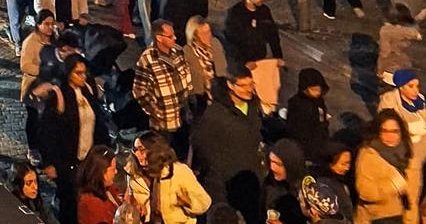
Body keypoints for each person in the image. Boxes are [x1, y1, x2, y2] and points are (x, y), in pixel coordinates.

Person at [39, 54, 110, 224]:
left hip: (88, 160)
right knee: (69, 205)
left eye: (84, 73)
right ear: (68, 73)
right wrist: (49, 162)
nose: (83, 77)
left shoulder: (88, 90)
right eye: (78, 73)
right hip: (67, 161)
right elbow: (47, 132)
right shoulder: (59, 96)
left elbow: (98, 122)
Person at [190, 69, 265, 223]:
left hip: (250, 176)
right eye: (243, 85)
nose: (249, 89)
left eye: (251, 85)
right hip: (225, 180)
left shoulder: (254, 105)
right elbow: (200, 143)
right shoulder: (215, 113)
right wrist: (220, 166)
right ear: (230, 85)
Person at [223, 0, 284, 113]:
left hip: (260, 60)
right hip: (243, 63)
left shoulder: (264, 11)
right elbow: (230, 42)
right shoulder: (234, 14)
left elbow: (273, 35)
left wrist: (278, 56)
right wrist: (244, 62)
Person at [128, 130, 213, 224]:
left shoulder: (179, 172)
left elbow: (204, 203)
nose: (137, 154)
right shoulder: (136, 177)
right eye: (135, 150)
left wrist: (187, 201)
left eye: (142, 150)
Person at [132, 19, 193, 150]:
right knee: (164, 153)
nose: (175, 38)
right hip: (164, 122)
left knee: (183, 149)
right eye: (170, 36)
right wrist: (156, 113)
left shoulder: (178, 51)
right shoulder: (147, 60)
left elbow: (186, 74)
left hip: (183, 115)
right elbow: (139, 91)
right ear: (159, 38)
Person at [354, 110, 420, 224]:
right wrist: (392, 185)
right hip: (377, 219)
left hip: (403, 218)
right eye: (385, 131)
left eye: (395, 131)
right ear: (378, 131)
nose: (390, 136)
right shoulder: (368, 155)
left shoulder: (409, 155)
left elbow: (413, 197)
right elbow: (364, 191)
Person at [20, 9, 57, 159]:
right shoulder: (30, 42)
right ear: (39, 24)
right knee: (34, 118)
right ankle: (33, 148)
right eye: (46, 24)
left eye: (52, 24)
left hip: (51, 87)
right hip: (33, 87)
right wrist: (44, 70)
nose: (50, 27)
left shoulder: (54, 40)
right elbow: (25, 65)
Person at [379, 70, 426, 156]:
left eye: (417, 86)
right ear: (401, 87)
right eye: (411, 86)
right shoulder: (389, 100)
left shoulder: (419, 100)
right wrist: (417, 129)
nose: (416, 90)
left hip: (422, 145)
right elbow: (391, 127)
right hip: (403, 148)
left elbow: (425, 121)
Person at [184, 16, 228, 115]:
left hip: (219, 93)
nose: (208, 36)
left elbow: (222, 71)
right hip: (200, 97)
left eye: (209, 32)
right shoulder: (188, 53)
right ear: (195, 36)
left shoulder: (215, 44)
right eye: (204, 34)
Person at [285, 69, 331, 161]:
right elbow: (296, 130)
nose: (317, 93)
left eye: (319, 89)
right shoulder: (296, 103)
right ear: (304, 89)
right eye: (313, 89)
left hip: (320, 144)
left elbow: (321, 117)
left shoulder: (319, 101)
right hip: (304, 149)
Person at [263, 139, 308, 224]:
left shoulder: (306, 190)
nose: (273, 167)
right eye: (271, 161)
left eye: (278, 164)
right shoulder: (270, 184)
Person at [76, 145, 123, 224]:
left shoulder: (109, 189)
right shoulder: (91, 203)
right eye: (113, 169)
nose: (116, 172)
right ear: (101, 172)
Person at [377, 4, 422, 82]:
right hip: (397, 66)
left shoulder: (383, 29)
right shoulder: (403, 31)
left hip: (383, 66)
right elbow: (418, 36)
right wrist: (417, 19)